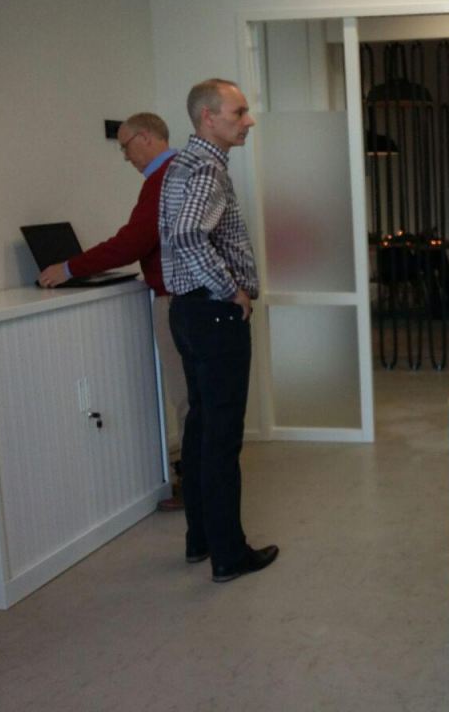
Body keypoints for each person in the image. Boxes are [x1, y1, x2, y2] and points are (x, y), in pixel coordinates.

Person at [159, 78, 278, 583]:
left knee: (202, 427)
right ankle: (230, 555)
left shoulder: (181, 163)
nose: (248, 121)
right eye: (239, 112)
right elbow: (189, 235)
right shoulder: (208, 167)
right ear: (208, 117)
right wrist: (231, 290)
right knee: (222, 438)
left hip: (187, 313)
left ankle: (201, 540)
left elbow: (178, 235)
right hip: (213, 315)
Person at [38, 112, 188, 512]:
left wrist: (69, 268)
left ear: (146, 137)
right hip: (190, 298)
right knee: (196, 398)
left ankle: (195, 487)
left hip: (176, 301)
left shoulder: (162, 179)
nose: (125, 156)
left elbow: (132, 243)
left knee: (188, 399)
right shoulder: (182, 172)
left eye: (125, 146)